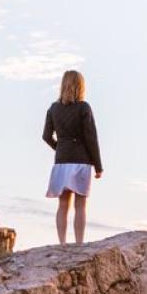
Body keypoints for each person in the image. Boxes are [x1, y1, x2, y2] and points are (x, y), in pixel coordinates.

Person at [43, 70, 102, 244]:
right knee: (80, 205)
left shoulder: (53, 108)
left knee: (62, 205)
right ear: (80, 86)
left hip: (62, 161)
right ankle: (78, 244)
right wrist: (98, 166)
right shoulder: (84, 107)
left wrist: (59, 147)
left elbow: (46, 136)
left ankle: (62, 244)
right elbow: (91, 138)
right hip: (81, 161)